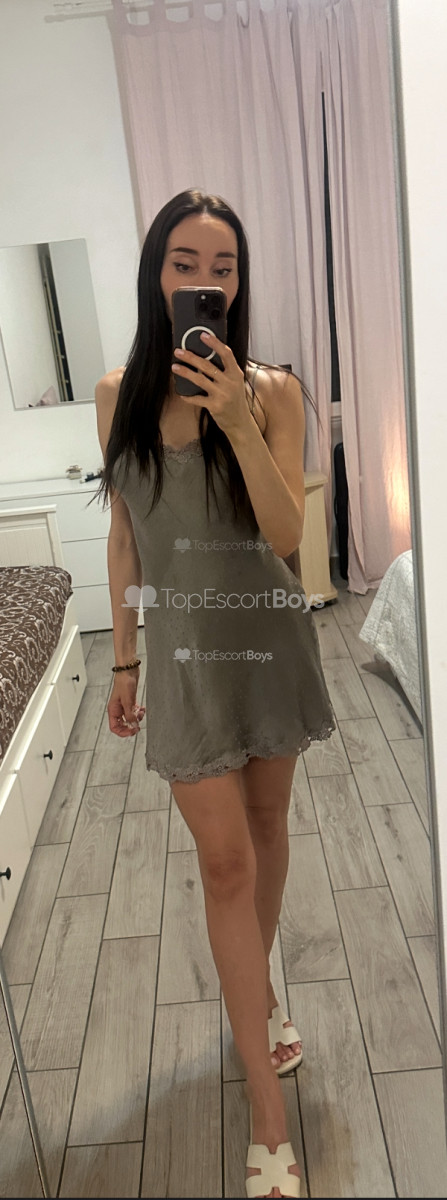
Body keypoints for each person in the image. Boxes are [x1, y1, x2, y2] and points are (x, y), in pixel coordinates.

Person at [93, 188, 336, 1198]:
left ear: (239, 282)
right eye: (185, 263)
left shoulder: (273, 391)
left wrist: (236, 416)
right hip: (188, 658)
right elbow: (125, 533)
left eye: (222, 267)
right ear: (157, 274)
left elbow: (286, 537)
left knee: (267, 832)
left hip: (265, 641)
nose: (205, 281)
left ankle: (259, 996)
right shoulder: (117, 394)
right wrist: (124, 657)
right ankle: (266, 1113)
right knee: (225, 862)